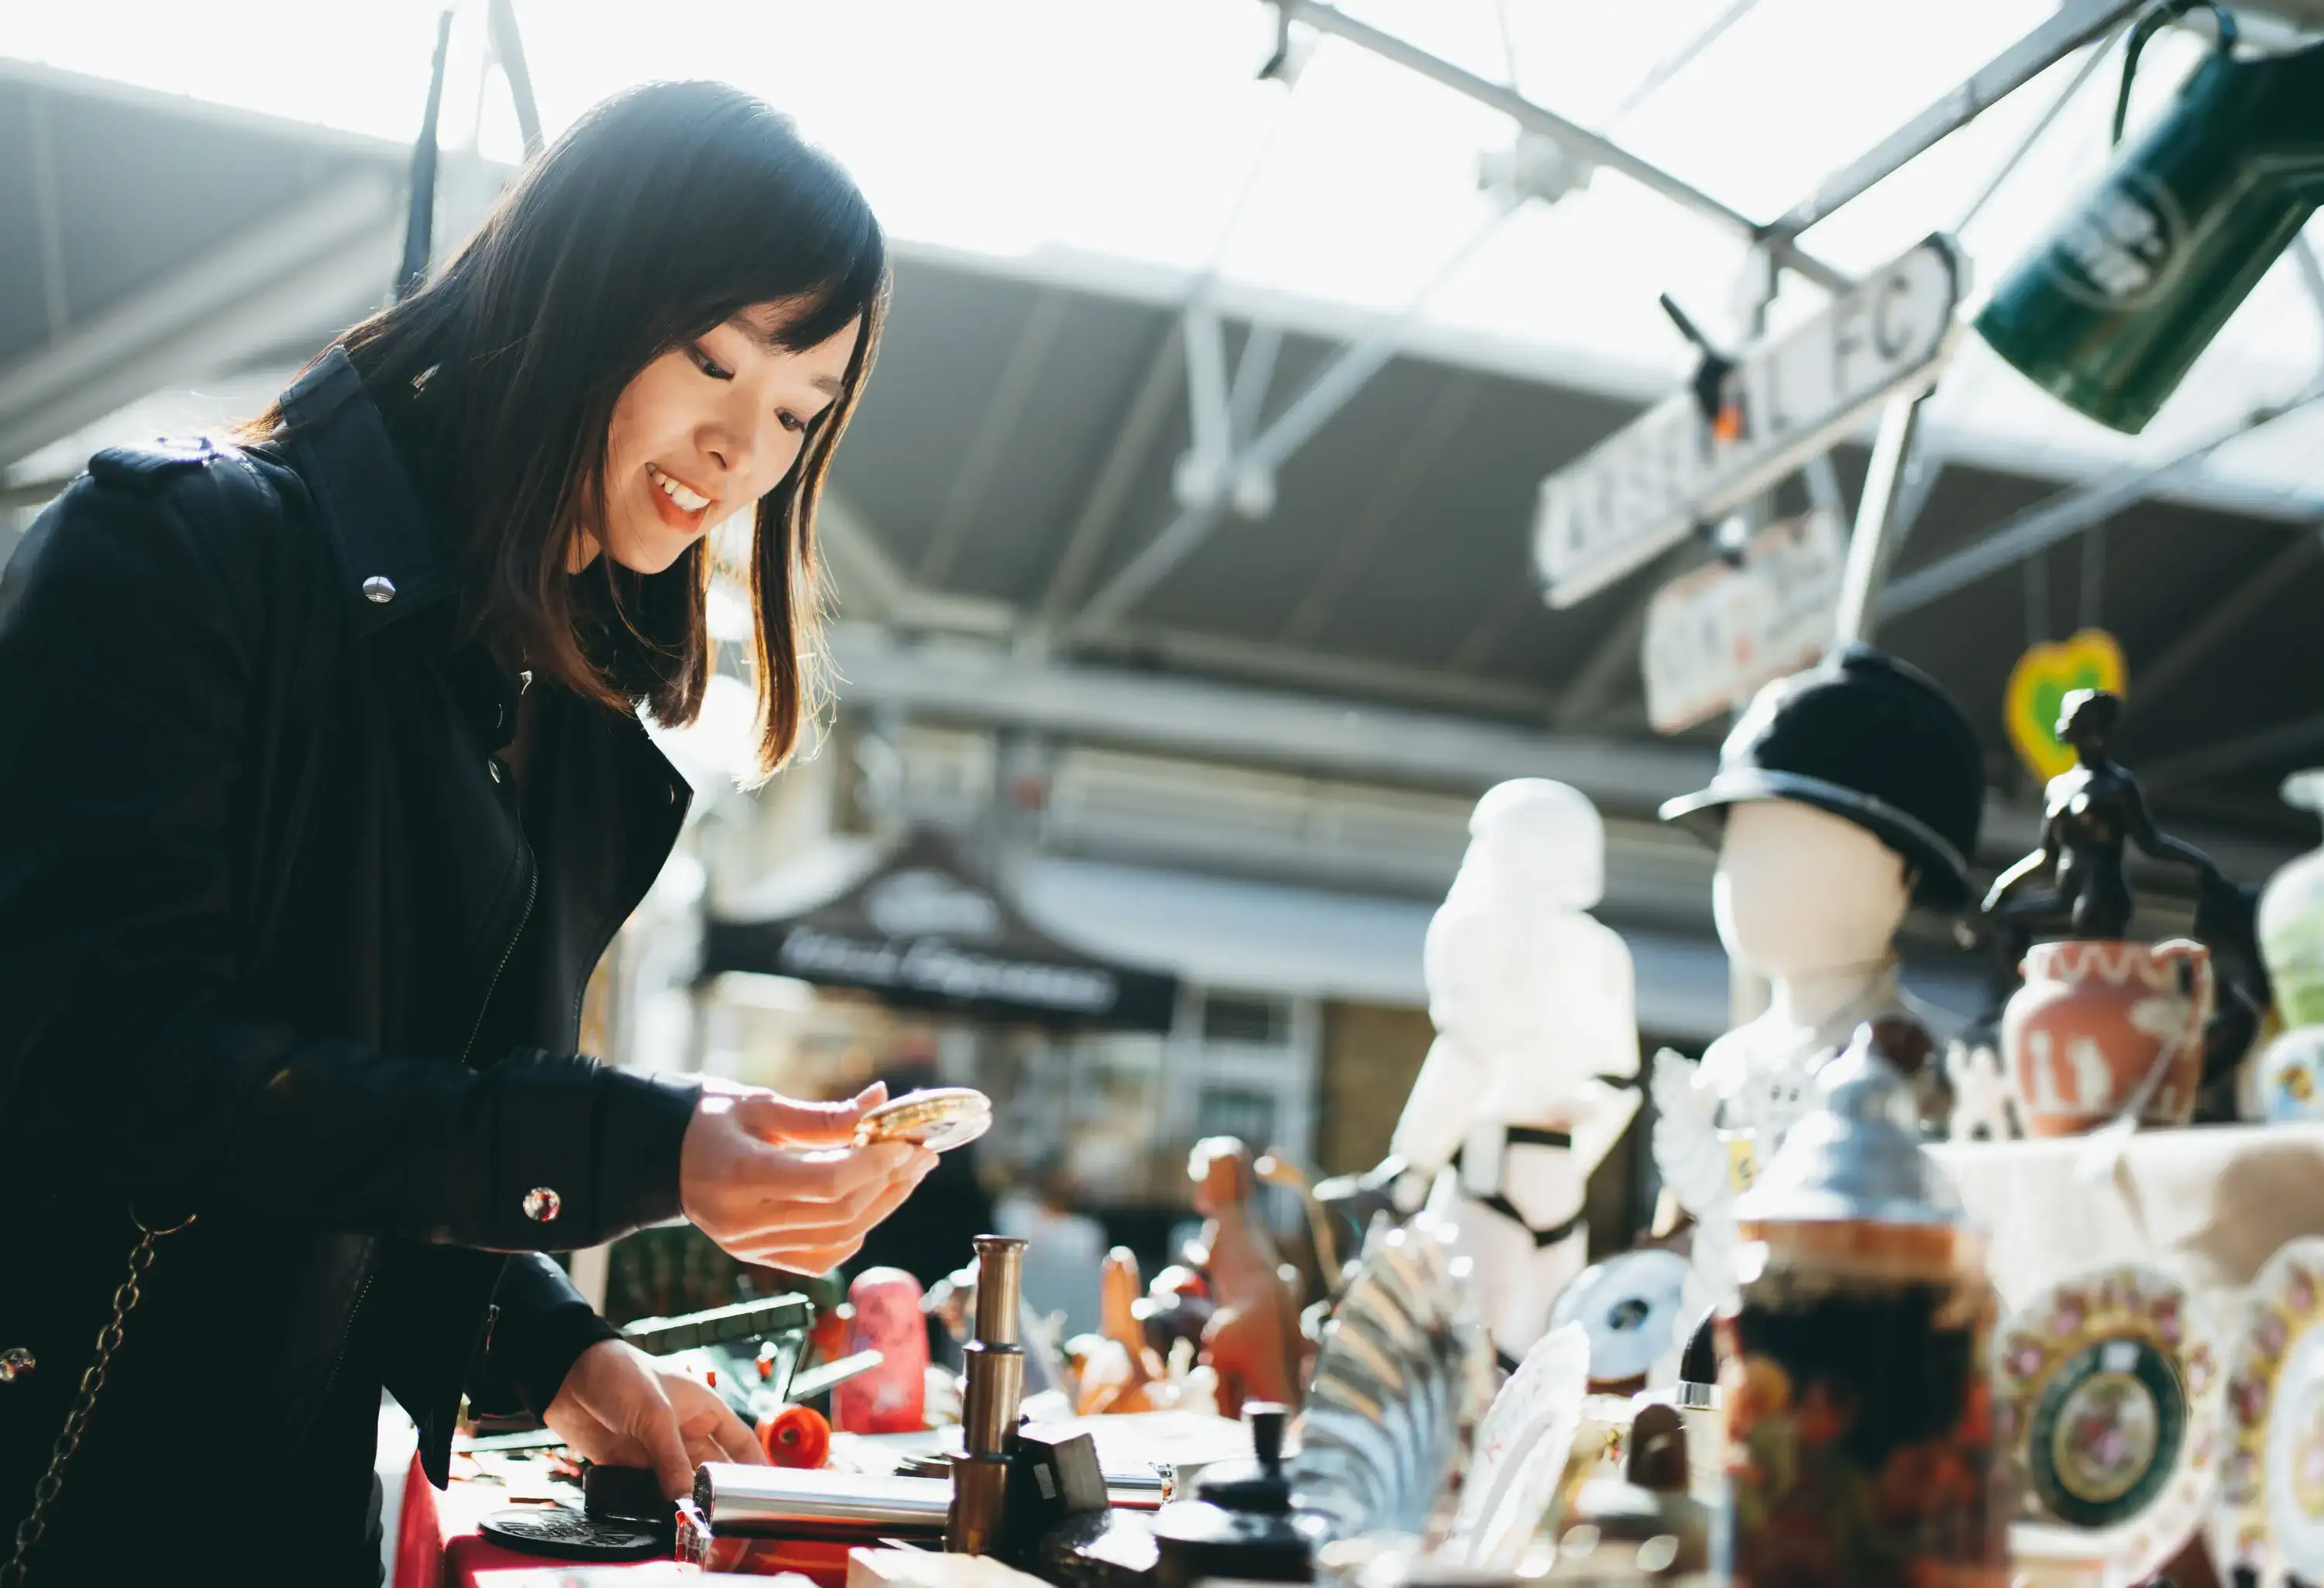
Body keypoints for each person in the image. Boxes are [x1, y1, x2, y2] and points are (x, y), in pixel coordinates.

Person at [0, 82, 933, 1586]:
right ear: (577, 293)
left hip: (287, 1522)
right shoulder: (176, 555)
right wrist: (638, 1145)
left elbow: (382, 1120)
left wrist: (551, 1339)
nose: (740, 450)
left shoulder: (554, 718)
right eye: (711, 359)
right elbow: (119, 1075)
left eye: (793, 413)